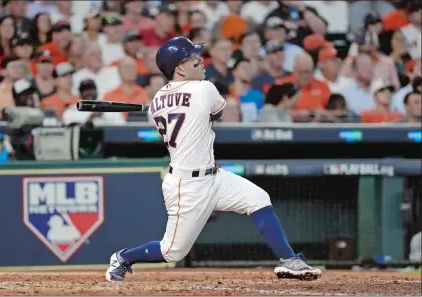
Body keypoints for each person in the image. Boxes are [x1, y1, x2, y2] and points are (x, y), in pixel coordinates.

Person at [105, 36, 322, 282]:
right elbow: (219, 112)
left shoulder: (157, 101)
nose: (200, 62)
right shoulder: (205, 88)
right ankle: (123, 257)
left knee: (259, 200)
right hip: (186, 186)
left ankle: (289, 260)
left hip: (214, 177)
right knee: (172, 251)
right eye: (192, 59)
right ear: (179, 69)